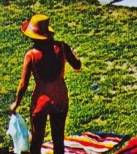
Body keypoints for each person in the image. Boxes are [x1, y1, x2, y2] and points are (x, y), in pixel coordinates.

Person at [9, 15, 82, 154]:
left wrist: (16, 103)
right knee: (58, 139)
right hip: (60, 97)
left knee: (37, 140)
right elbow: (77, 66)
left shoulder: (31, 55)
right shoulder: (61, 47)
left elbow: (23, 84)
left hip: (40, 101)